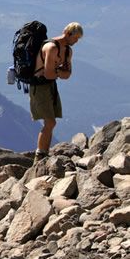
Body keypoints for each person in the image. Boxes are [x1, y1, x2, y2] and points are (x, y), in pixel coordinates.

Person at [31, 22, 83, 163]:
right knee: (50, 121)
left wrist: (57, 72)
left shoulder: (67, 51)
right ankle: (40, 155)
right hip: (39, 86)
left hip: (50, 86)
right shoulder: (51, 48)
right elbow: (49, 74)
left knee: (51, 122)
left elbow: (67, 74)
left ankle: (43, 153)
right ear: (67, 34)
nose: (76, 41)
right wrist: (59, 72)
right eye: (75, 38)